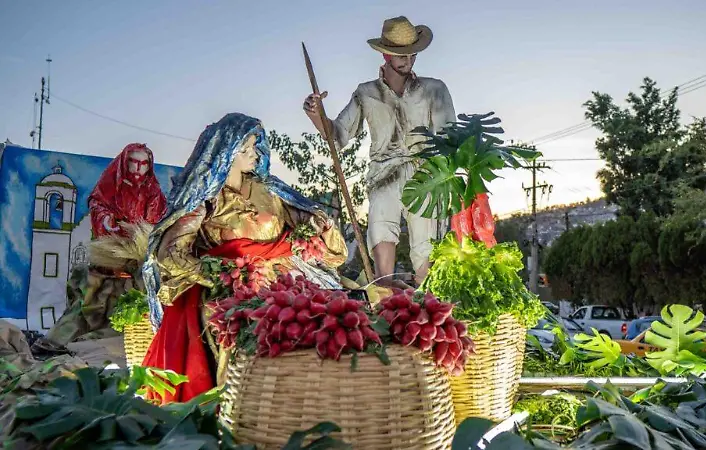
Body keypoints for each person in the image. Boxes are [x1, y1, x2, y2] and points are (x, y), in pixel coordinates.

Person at [141, 113, 347, 403]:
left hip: (288, 277)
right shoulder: (207, 200)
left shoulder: (271, 190)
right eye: (245, 149)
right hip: (237, 284)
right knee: (239, 329)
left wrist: (320, 227)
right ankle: (240, 406)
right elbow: (171, 254)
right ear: (224, 153)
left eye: (255, 147)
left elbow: (313, 227)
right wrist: (222, 271)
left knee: (330, 319)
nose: (254, 154)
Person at [303, 16, 456, 288]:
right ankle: (384, 305)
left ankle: (428, 309)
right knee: (381, 235)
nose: (407, 60)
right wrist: (317, 115)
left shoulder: (434, 89)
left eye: (412, 54)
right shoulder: (366, 93)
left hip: (425, 175)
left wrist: (447, 179)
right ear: (385, 53)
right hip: (383, 174)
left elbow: (449, 138)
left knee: (425, 246)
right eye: (400, 54)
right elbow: (337, 134)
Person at [32, 144, 167, 352]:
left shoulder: (153, 192)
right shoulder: (111, 185)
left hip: (136, 259)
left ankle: (128, 344)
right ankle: (64, 341)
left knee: (135, 305)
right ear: (125, 162)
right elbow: (98, 204)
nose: (138, 168)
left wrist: (143, 233)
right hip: (110, 254)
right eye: (134, 162)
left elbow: (157, 220)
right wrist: (107, 221)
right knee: (89, 303)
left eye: (143, 164)